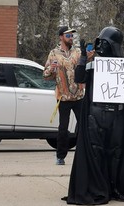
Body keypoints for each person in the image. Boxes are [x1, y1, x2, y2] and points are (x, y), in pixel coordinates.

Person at [64, 26, 124, 205]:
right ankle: (97, 187)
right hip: (95, 113)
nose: (101, 46)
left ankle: (114, 188)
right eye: (99, 42)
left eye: (105, 43)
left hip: (117, 114)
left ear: (114, 45)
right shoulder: (94, 63)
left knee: (116, 152)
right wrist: (84, 58)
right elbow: (79, 78)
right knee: (96, 152)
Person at [43, 26, 84, 165]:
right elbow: (46, 75)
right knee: (63, 128)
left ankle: (83, 153)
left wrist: (88, 57)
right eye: (68, 35)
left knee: (84, 125)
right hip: (63, 97)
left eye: (72, 36)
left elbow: (86, 68)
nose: (71, 38)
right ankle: (60, 156)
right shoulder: (54, 53)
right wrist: (51, 69)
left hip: (79, 96)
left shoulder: (77, 52)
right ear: (61, 37)